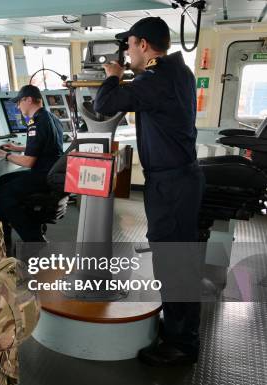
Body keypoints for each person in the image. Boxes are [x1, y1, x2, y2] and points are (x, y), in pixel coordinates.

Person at [93, 17, 205, 366]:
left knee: (174, 261)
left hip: (171, 184)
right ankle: (178, 327)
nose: (126, 53)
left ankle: (181, 344)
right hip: (176, 179)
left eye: (129, 45)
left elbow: (104, 105)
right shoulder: (175, 71)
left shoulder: (157, 78)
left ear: (143, 44)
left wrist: (114, 75)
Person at [0, 84, 64, 253]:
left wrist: (5, 155)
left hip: (43, 176)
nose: (17, 106)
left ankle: (34, 239)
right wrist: (16, 148)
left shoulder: (36, 123)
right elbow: (45, 146)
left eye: (19, 102)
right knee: (3, 180)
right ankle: (3, 236)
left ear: (28, 100)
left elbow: (28, 162)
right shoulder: (50, 117)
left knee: (2, 195)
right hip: (52, 173)